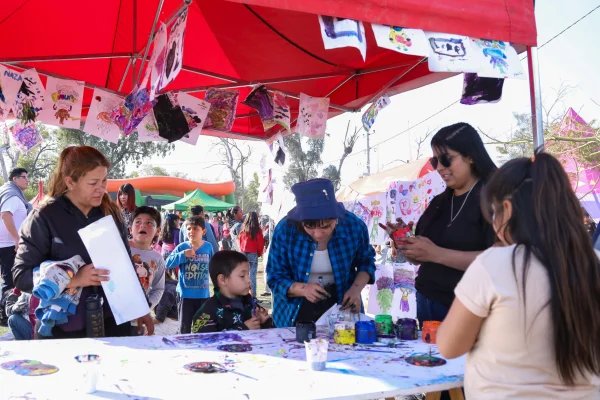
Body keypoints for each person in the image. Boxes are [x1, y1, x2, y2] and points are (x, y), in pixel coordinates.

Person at [436, 153, 600, 398]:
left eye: (492, 214)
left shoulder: (495, 264)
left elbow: (449, 346)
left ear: (507, 209)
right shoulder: (592, 262)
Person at [12, 146, 153, 339]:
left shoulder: (110, 212)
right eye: (93, 182)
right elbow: (21, 276)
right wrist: (74, 279)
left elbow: (126, 263)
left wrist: (141, 306)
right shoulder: (44, 217)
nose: (102, 188)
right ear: (70, 182)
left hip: (112, 324)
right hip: (62, 330)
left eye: (104, 180)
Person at [399, 123, 497, 326]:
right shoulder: (438, 202)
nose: (440, 167)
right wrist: (408, 245)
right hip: (426, 302)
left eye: (446, 159)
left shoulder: (494, 199)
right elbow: (422, 258)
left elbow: (500, 260)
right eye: (436, 161)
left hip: (467, 309)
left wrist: (436, 254)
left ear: (470, 156)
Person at [267, 178, 376, 328]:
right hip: (294, 309)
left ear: (336, 217)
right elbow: (274, 277)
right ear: (300, 220)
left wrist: (355, 291)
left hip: (342, 303)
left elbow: (367, 262)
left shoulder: (354, 226)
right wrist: (304, 289)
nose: (318, 234)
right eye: (309, 227)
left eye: (326, 226)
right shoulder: (285, 230)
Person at [191, 250, 273, 333]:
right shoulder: (208, 312)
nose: (249, 280)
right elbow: (203, 340)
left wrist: (265, 322)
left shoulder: (251, 303)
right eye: (242, 276)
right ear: (222, 280)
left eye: (248, 275)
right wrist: (243, 329)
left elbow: (273, 334)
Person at [166, 216, 214, 334]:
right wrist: (183, 255)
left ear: (203, 231)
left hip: (203, 295)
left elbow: (214, 266)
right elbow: (168, 263)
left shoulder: (208, 247)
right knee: (184, 329)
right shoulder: (182, 247)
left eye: (195, 228)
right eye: (188, 229)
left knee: (202, 329)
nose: (191, 232)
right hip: (185, 296)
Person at [0, 168, 31, 326]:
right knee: (9, 280)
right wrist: (16, 239)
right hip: (8, 245)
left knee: (10, 278)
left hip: (8, 244)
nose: (27, 180)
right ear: (14, 179)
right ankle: (4, 314)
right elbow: (6, 215)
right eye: (24, 177)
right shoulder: (12, 195)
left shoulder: (13, 194)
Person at [129, 207, 165, 312]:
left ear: (157, 231)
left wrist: (145, 310)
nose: (143, 225)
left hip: (138, 316)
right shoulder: (119, 248)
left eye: (149, 223)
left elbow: (158, 289)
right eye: (138, 222)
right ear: (130, 229)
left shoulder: (157, 258)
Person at [237, 211, 265, 298]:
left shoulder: (243, 229)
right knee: (252, 276)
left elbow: (239, 241)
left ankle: (242, 294)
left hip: (244, 252)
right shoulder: (257, 230)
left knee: (242, 275)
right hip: (253, 253)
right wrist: (259, 253)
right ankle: (253, 296)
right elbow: (260, 243)